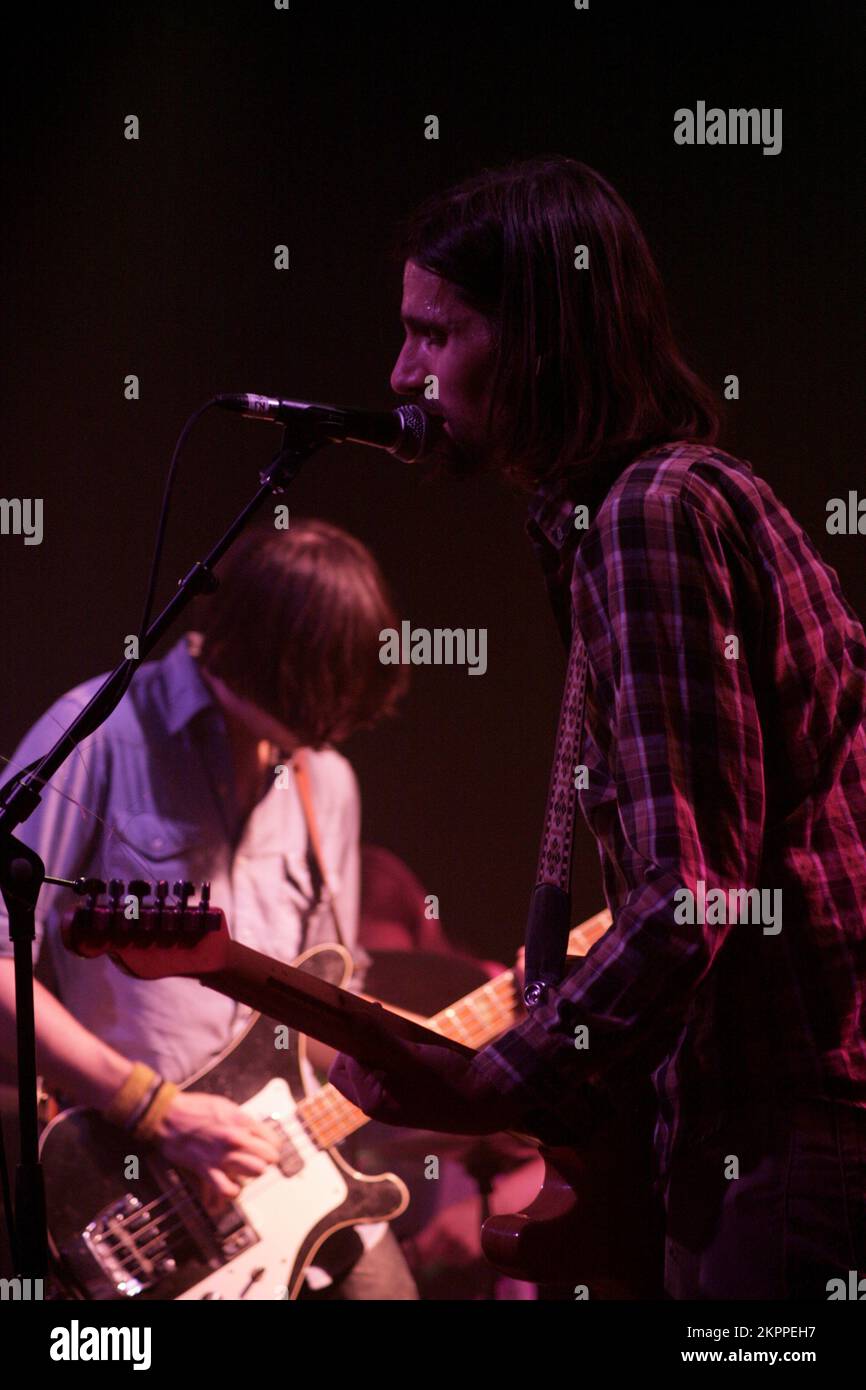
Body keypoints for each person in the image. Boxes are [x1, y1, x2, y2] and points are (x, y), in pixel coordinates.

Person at [330, 155, 866, 1300]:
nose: (400, 372)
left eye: (437, 332)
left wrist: (493, 1083)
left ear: (536, 335)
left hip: (784, 1131)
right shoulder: (664, 503)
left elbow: (689, 902)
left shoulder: (649, 519)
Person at [0, 517, 419, 1299]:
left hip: (298, 1173)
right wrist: (156, 1111)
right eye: (325, 698)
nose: (333, 731)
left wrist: (465, 1052)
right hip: (134, 1187)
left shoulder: (325, 779)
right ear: (279, 663)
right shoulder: (95, 736)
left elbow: (324, 1014)